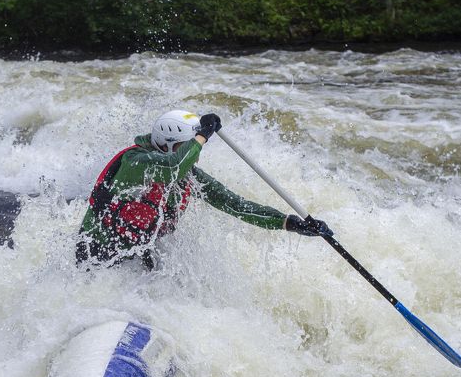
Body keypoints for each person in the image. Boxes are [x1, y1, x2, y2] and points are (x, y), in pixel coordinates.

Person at [76, 110, 332, 269]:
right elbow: (173, 165)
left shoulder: (188, 176)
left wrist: (290, 223)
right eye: (186, 147)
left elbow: (234, 204)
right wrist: (203, 135)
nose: (194, 156)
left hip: (139, 254)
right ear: (166, 145)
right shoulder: (135, 163)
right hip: (96, 253)